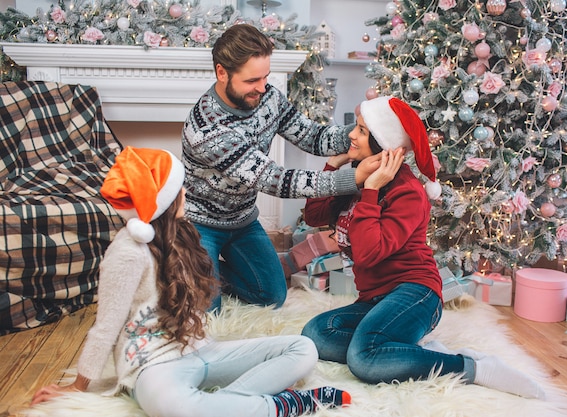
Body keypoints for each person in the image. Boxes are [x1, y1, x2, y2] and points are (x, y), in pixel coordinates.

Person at [31, 147, 351, 417]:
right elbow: (106, 326)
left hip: (201, 353)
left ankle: (233, 405)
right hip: (154, 367)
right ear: (166, 198)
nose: (186, 192)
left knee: (303, 348)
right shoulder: (127, 252)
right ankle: (282, 406)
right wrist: (76, 388)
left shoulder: (184, 234)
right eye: (180, 187)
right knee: (175, 407)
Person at [300, 97, 546, 400]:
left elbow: (367, 253)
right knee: (316, 336)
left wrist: (372, 190)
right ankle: (403, 349)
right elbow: (313, 216)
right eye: (356, 127)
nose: (351, 134)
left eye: (362, 131)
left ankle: (474, 367)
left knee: (364, 359)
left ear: (384, 144)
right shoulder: (358, 174)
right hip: (374, 298)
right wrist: (334, 167)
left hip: (416, 293)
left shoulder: (407, 193)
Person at [182, 24, 379, 310]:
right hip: (200, 225)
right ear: (222, 72)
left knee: (271, 296)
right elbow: (274, 180)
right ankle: (187, 265)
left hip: (242, 221)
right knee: (207, 311)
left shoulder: (268, 97)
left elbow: (313, 137)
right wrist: (353, 178)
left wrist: (363, 130)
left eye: (265, 77)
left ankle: (210, 271)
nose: (262, 88)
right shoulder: (205, 128)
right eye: (252, 80)